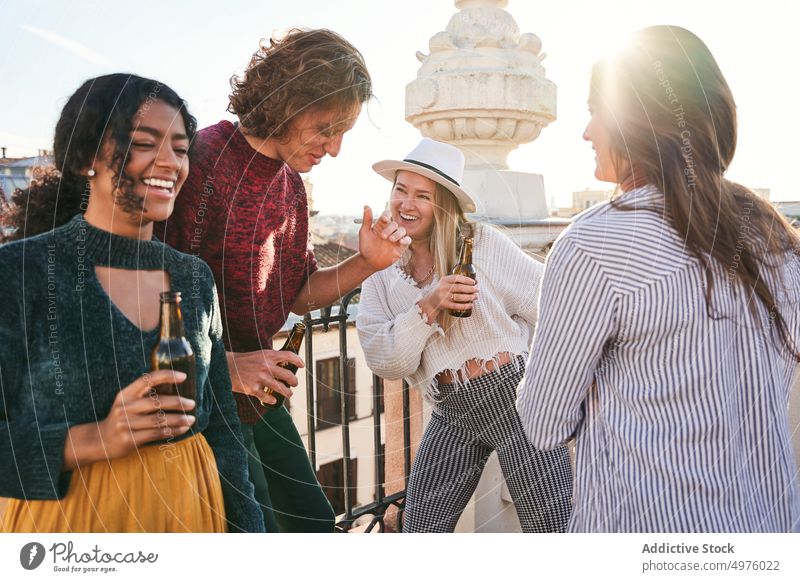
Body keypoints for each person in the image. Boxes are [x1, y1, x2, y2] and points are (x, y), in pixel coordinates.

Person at [517, 26, 800, 532]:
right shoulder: (774, 236)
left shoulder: (594, 245)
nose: (586, 133)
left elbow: (542, 424)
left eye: (593, 111)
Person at [159, 28, 410, 532]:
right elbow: (147, 292)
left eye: (343, 131)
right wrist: (228, 364)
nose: (335, 149)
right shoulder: (200, 160)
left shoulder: (292, 185)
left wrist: (367, 263)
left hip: (261, 399)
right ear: (288, 101)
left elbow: (296, 295)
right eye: (325, 127)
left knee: (315, 527)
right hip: (200, 407)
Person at [0, 74, 263, 532]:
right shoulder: (18, 273)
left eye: (181, 149)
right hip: (71, 528)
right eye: (145, 143)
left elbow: (223, 432)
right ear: (86, 158)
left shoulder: (194, 279)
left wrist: (248, 536)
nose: (170, 163)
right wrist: (93, 438)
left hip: (192, 513)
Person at [356, 138, 573, 532]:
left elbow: (550, 303)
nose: (407, 204)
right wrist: (429, 305)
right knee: (420, 531)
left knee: (554, 530)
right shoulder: (380, 276)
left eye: (422, 195)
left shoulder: (482, 244)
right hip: (451, 412)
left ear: (442, 206)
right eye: (401, 190)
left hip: (517, 405)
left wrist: (547, 371)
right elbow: (388, 361)